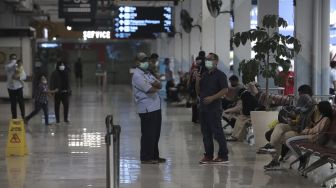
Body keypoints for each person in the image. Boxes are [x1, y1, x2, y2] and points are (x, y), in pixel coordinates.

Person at [263, 84, 316, 170]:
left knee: (281, 137)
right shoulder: (304, 105)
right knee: (279, 126)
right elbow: (299, 117)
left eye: (300, 94)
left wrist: (294, 118)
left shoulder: (313, 106)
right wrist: (292, 120)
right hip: (297, 127)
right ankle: (271, 145)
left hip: (303, 131)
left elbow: (310, 123)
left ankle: (275, 160)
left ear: (305, 94)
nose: (299, 96)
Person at [195, 52, 230, 164]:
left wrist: (213, 98)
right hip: (203, 108)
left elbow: (225, 90)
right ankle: (208, 155)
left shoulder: (220, 75)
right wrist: (197, 80)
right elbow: (198, 92)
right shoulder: (204, 74)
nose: (208, 61)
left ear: (216, 61)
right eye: (207, 59)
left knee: (217, 132)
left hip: (214, 108)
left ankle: (223, 155)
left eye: (210, 59)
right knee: (206, 133)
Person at [132, 52, 166, 164]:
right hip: (146, 109)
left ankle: (154, 155)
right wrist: (155, 86)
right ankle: (146, 157)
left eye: (146, 60)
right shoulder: (137, 75)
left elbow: (159, 84)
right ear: (137, 62)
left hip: (155, 107)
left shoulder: (147, 73)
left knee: (155, 133)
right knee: (148, 134)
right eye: (142, 61)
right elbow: (150, 89)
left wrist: (155, 85)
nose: (145, 63)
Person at [286, 101, 333, 170]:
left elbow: (317, 130)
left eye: (318, 108)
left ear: (322, 109)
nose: (317, 110)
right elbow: (316, 128)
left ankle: (302, 159)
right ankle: (302, 159)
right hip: (313, 137)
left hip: (314, 139)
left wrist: (305, 131)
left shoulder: (326, 119)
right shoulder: (324, 117)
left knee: (289, 142)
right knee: (290, 141)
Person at [5, 53, 26, 119]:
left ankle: (23, 117)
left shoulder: (20, 67)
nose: (14, 60)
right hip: (10, 88)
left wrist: (18, 78)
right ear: (10, 59)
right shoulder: (8, 66)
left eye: (15, 58)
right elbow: (8, 68)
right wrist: (15, 64)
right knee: (13, 103)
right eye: (12, 58)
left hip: (19, 87)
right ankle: (14, 117)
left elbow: (24, 76)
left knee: (21, 102)